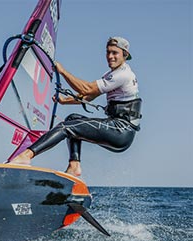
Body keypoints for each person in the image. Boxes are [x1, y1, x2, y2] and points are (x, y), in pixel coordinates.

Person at [9, 37, 142, 177]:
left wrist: (63, 72)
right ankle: (74, 166)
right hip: (118, 129)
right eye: (108, 52)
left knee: (66, 127)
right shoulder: (112, 74)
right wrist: (63, 101)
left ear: (125, 55)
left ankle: (26, 156)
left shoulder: (123, 75)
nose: (110, 57)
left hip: (121, 131)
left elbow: (87, 89)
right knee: (72, 119)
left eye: (115, 53)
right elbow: (88, 97)